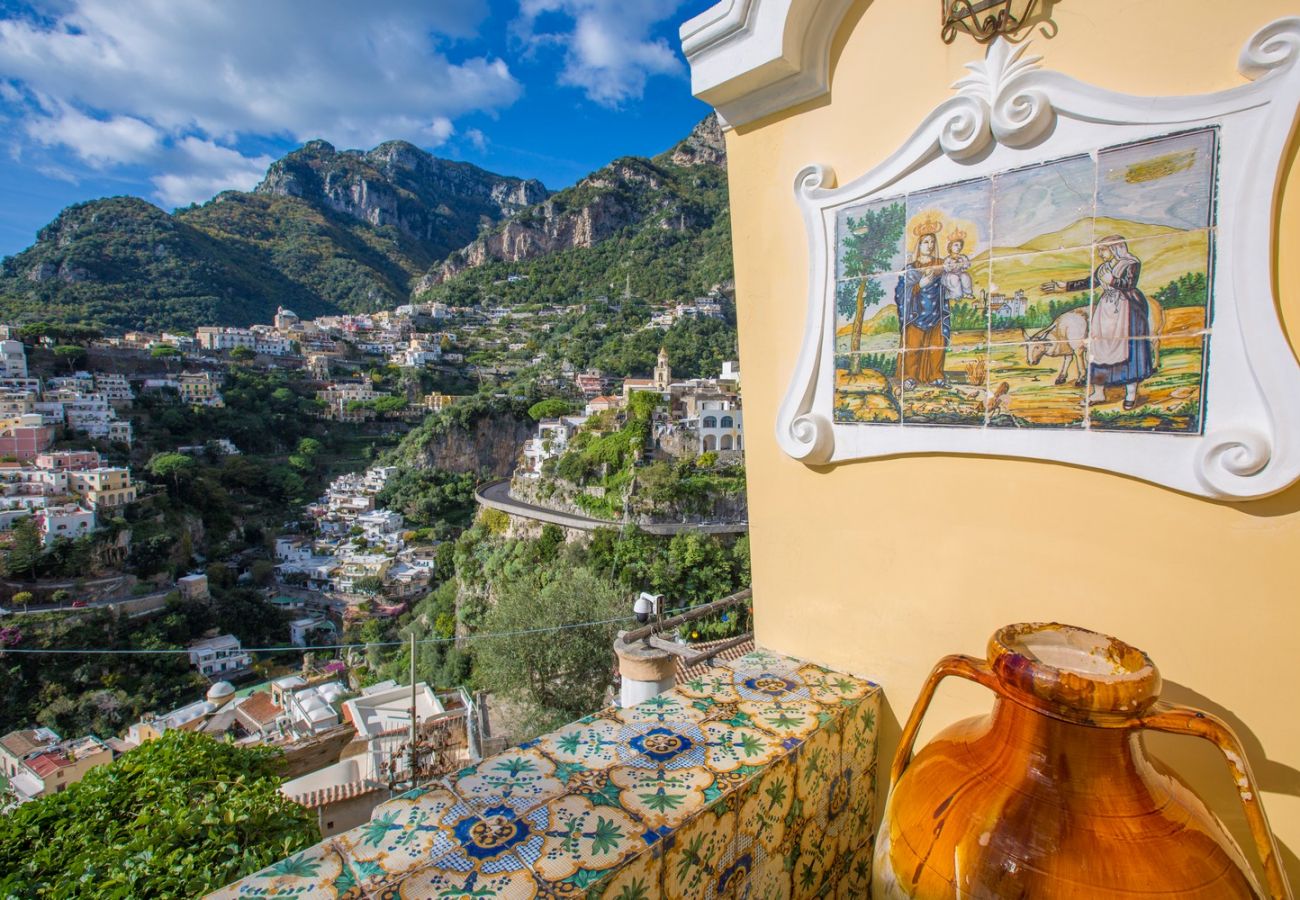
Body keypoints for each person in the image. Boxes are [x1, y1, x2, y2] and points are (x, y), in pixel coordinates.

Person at [1042, 235, 1154, 410]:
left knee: (1128, 349)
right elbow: (1090, 282)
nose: (1101, 254)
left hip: (1127, 312)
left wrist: (1113, 281)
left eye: (1103, 249)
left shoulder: (1131, 263)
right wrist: (1065, 286)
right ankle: (1099, 392)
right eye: (1099, 250)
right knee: (1099, 349)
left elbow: (1129, 283)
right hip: (1106, 311)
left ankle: (1130, 393)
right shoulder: (1103, 268)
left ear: (1115, 248)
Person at [895, 218, 951, 388]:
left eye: (932, 242)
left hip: (937, 312)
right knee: (913, 347)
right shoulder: (911, 268)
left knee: (937, 346)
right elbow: (900, 292)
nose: (930, 245)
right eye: (926, 242)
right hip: (916, 313)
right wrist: (919, 285)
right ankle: (909, 377)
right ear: (918, 245)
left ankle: (936, 376)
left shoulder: (941, 264)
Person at [941, 229, 974, 300]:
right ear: (950, 246)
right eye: (956, 245)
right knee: (954, 278)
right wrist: (952, 266)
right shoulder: (948, 259)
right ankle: (956, 295)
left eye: (960, 245)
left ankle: (967, 293)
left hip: (960, 273)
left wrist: (962, 264)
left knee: (965, 276)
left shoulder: (962, 257)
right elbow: (946, 268)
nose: (958, 247)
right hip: (949, 276)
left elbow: (967, 265)